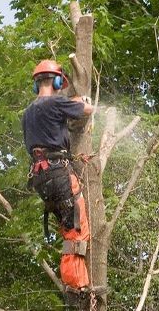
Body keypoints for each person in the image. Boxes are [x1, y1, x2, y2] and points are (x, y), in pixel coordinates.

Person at [22, 59, 93, 296]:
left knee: (67, 228)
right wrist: (84, 102)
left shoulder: (27, 113)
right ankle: (77, 289)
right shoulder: (56, 102)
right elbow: (86, 110)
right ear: (57, 81)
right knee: (76, 230)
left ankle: (74, 284)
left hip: (40, 178)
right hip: (58, 172)